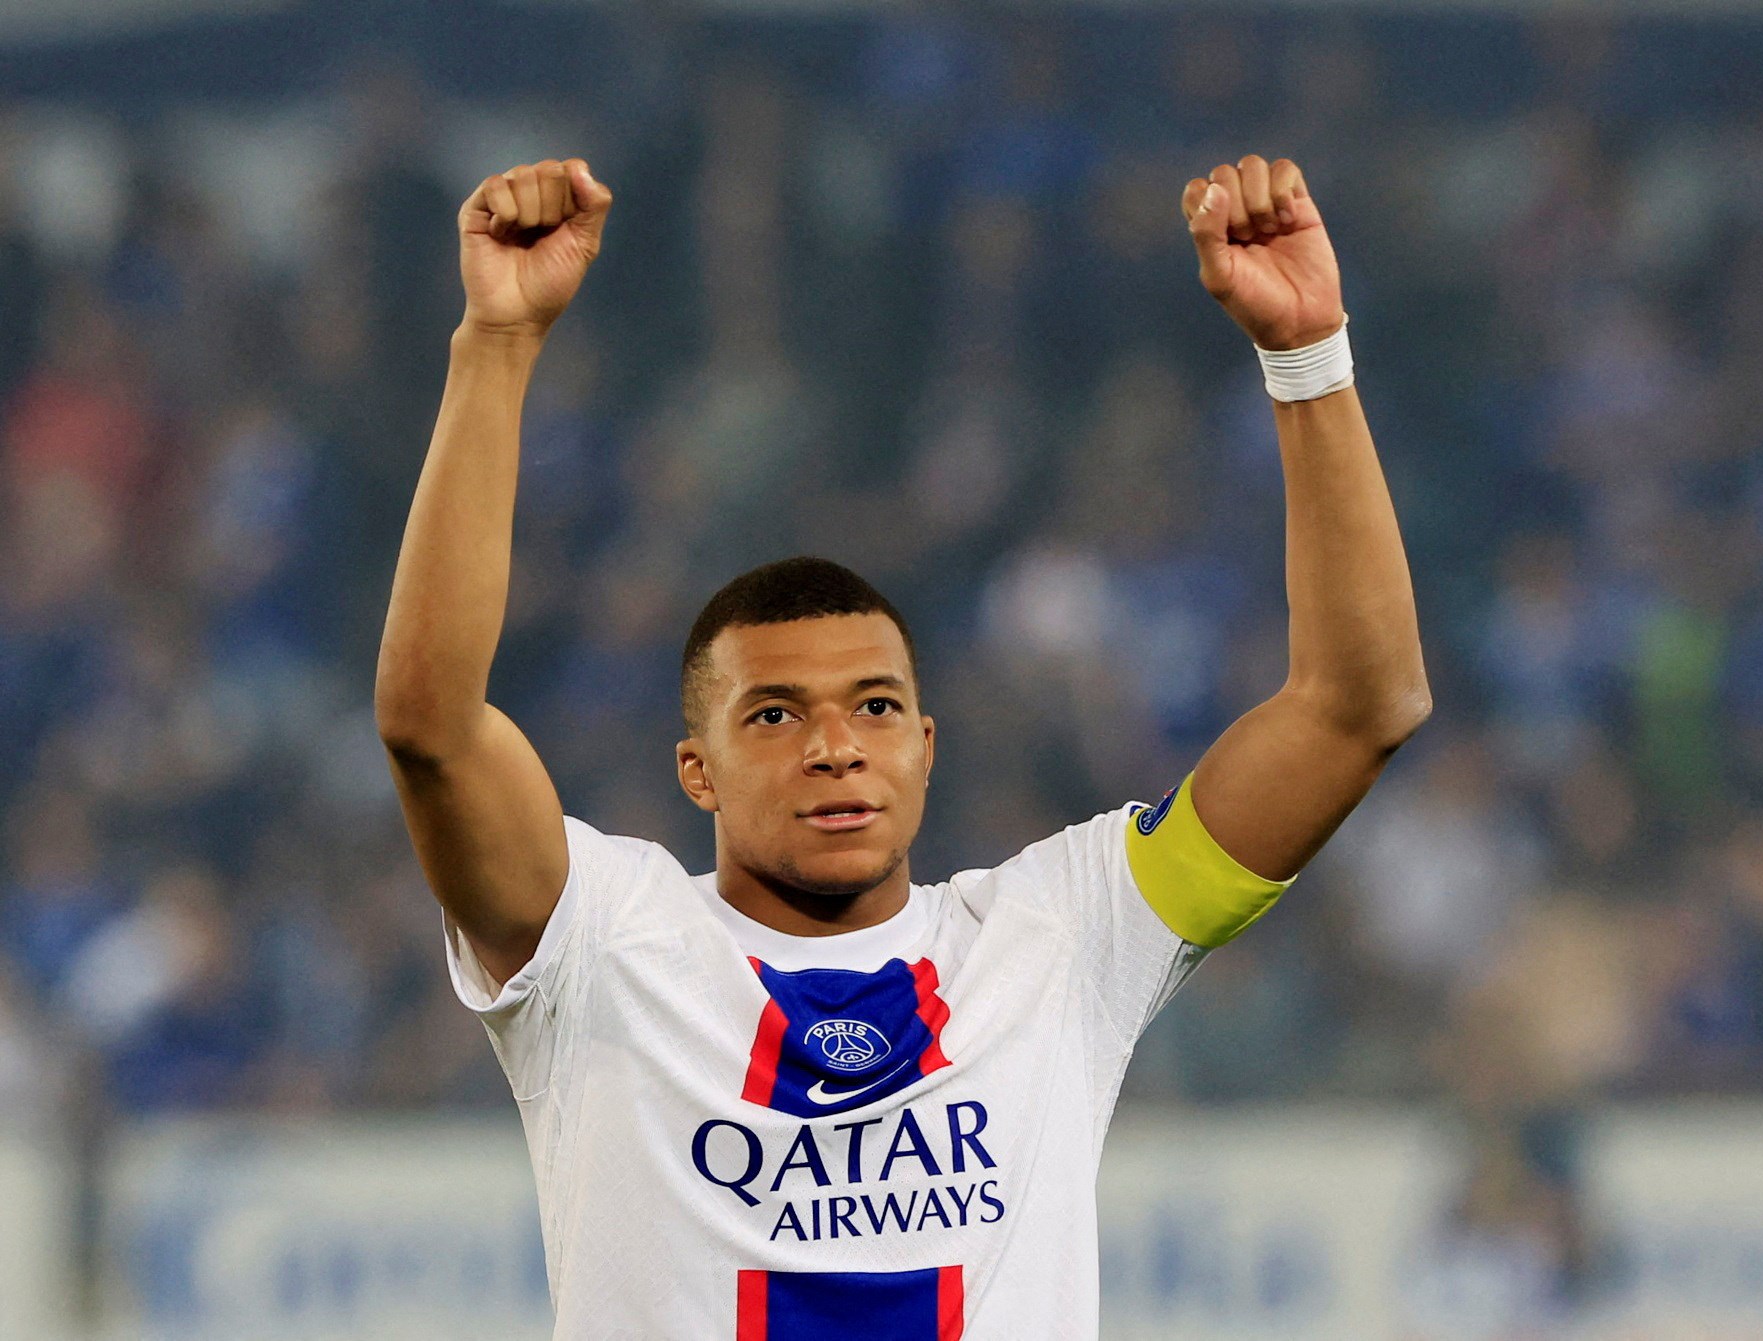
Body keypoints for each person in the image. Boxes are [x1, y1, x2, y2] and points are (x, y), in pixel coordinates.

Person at [375, 153, 1429, 1338]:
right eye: (772, 715)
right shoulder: (603, 947)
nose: (835, 746)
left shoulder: (1059, 936)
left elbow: (1356, 707)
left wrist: (1308, 359)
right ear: (695, 771)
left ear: (927, 748)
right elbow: (431, 730)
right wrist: (497, 346)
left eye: (874, 708)